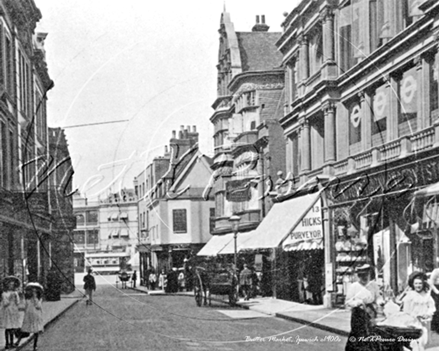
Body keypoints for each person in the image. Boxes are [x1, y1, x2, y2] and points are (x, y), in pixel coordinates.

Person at [344, 264, 382, 351]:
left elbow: (378, 297)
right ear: (358, 276)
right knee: (358, 335)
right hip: (358, 314)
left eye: (366, 275)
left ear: (369, 275)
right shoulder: (354, 286)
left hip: (370, 313)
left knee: (371, 334)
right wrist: (357, 302)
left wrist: (380, 302)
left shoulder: (374, 285)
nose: (364, 278)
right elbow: (348, 302)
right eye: (362, 276)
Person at [401, 272, 435, 351]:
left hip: (424, 323)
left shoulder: (426, 295)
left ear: (423, 284)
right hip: (413, 324)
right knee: (414, 344)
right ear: (412, 284)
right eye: (416, 283)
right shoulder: (409, 296)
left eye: (420, 283)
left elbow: (431, 307)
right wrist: (415, 316)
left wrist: (427, 314)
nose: (418, 286)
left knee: (424, 342)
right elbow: (406, 312)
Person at [16, 285, 44, 351]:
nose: (34, 293)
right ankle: (18, 341)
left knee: (36, 332)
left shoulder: (38, 300)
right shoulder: (28, 300)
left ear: (37, 293)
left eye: (35, 292)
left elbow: (38, 307)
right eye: (32, 291)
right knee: (25, 331)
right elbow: (24, 307)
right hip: (28, 317)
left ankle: (35, 346)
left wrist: (37, 300)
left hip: (35, 317)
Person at [0, 280, 21, 349]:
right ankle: (7, 343)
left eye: (12, 285)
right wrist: (10, 298)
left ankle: (11, 343)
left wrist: (15, 297)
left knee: (12, 328)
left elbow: (18, 302)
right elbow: (5, 303)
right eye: (9, 285)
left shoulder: (15, 293)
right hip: (7, 311)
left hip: (13, 311)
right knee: (7, 327)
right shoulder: (4, 293)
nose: (11, 286)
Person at [429, 267, 439, 334]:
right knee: (437, 309)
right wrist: (437, 291)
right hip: (436, 291)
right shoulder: (436, 271)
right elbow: (431, 283)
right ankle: (435, 328)